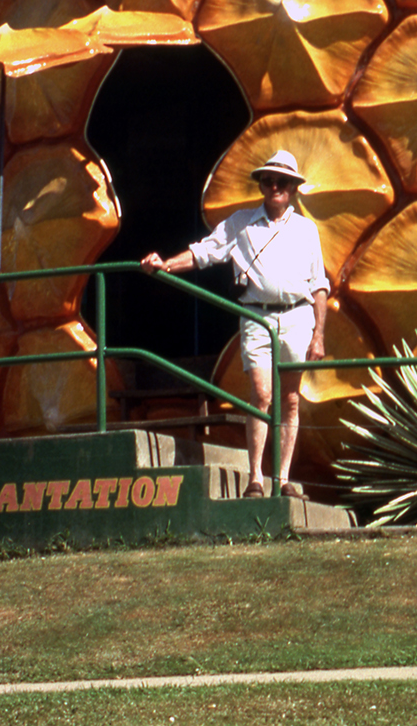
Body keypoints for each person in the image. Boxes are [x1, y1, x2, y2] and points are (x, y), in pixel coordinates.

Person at [140, 150, 328, 498]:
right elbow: (204, 251)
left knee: (289, 399)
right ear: (261, 185)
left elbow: (319, 285)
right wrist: (165, 264)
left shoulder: (306, 229)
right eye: (269, 180)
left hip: (296, 315)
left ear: (293, 187)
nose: (275, 187)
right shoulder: (241, 223)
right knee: (261, 395)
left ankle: (283, 479)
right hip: (257, 314)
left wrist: (318, 334)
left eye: (282, 181)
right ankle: (256, 477)